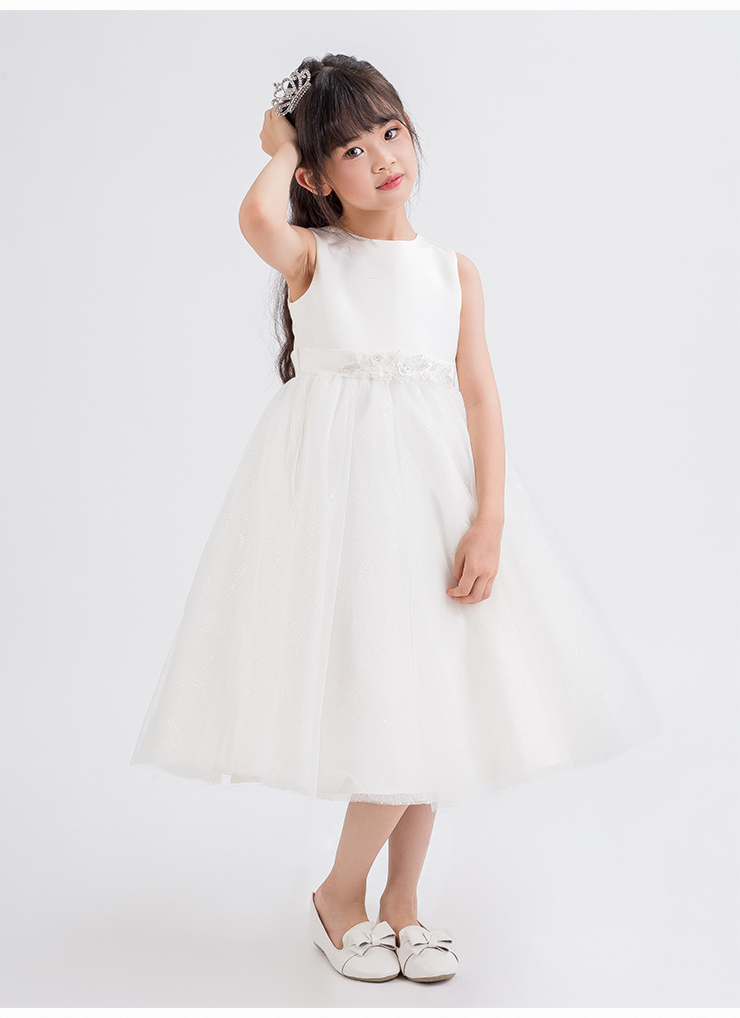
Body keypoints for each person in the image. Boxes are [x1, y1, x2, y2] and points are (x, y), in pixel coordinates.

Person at [130, 53, 661, 984]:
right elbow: (256, 218)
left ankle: (402, 904)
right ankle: (340, 895)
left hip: (438, 507)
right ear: (315, 176)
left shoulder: (453, 272)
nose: (382, 157)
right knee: (395, 696)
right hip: (349, 519)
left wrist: (490, 520)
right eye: (348, 149)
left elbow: (481, 397)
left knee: (435, 701)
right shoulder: (314, 260)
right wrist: (281, 140)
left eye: (390, 131)